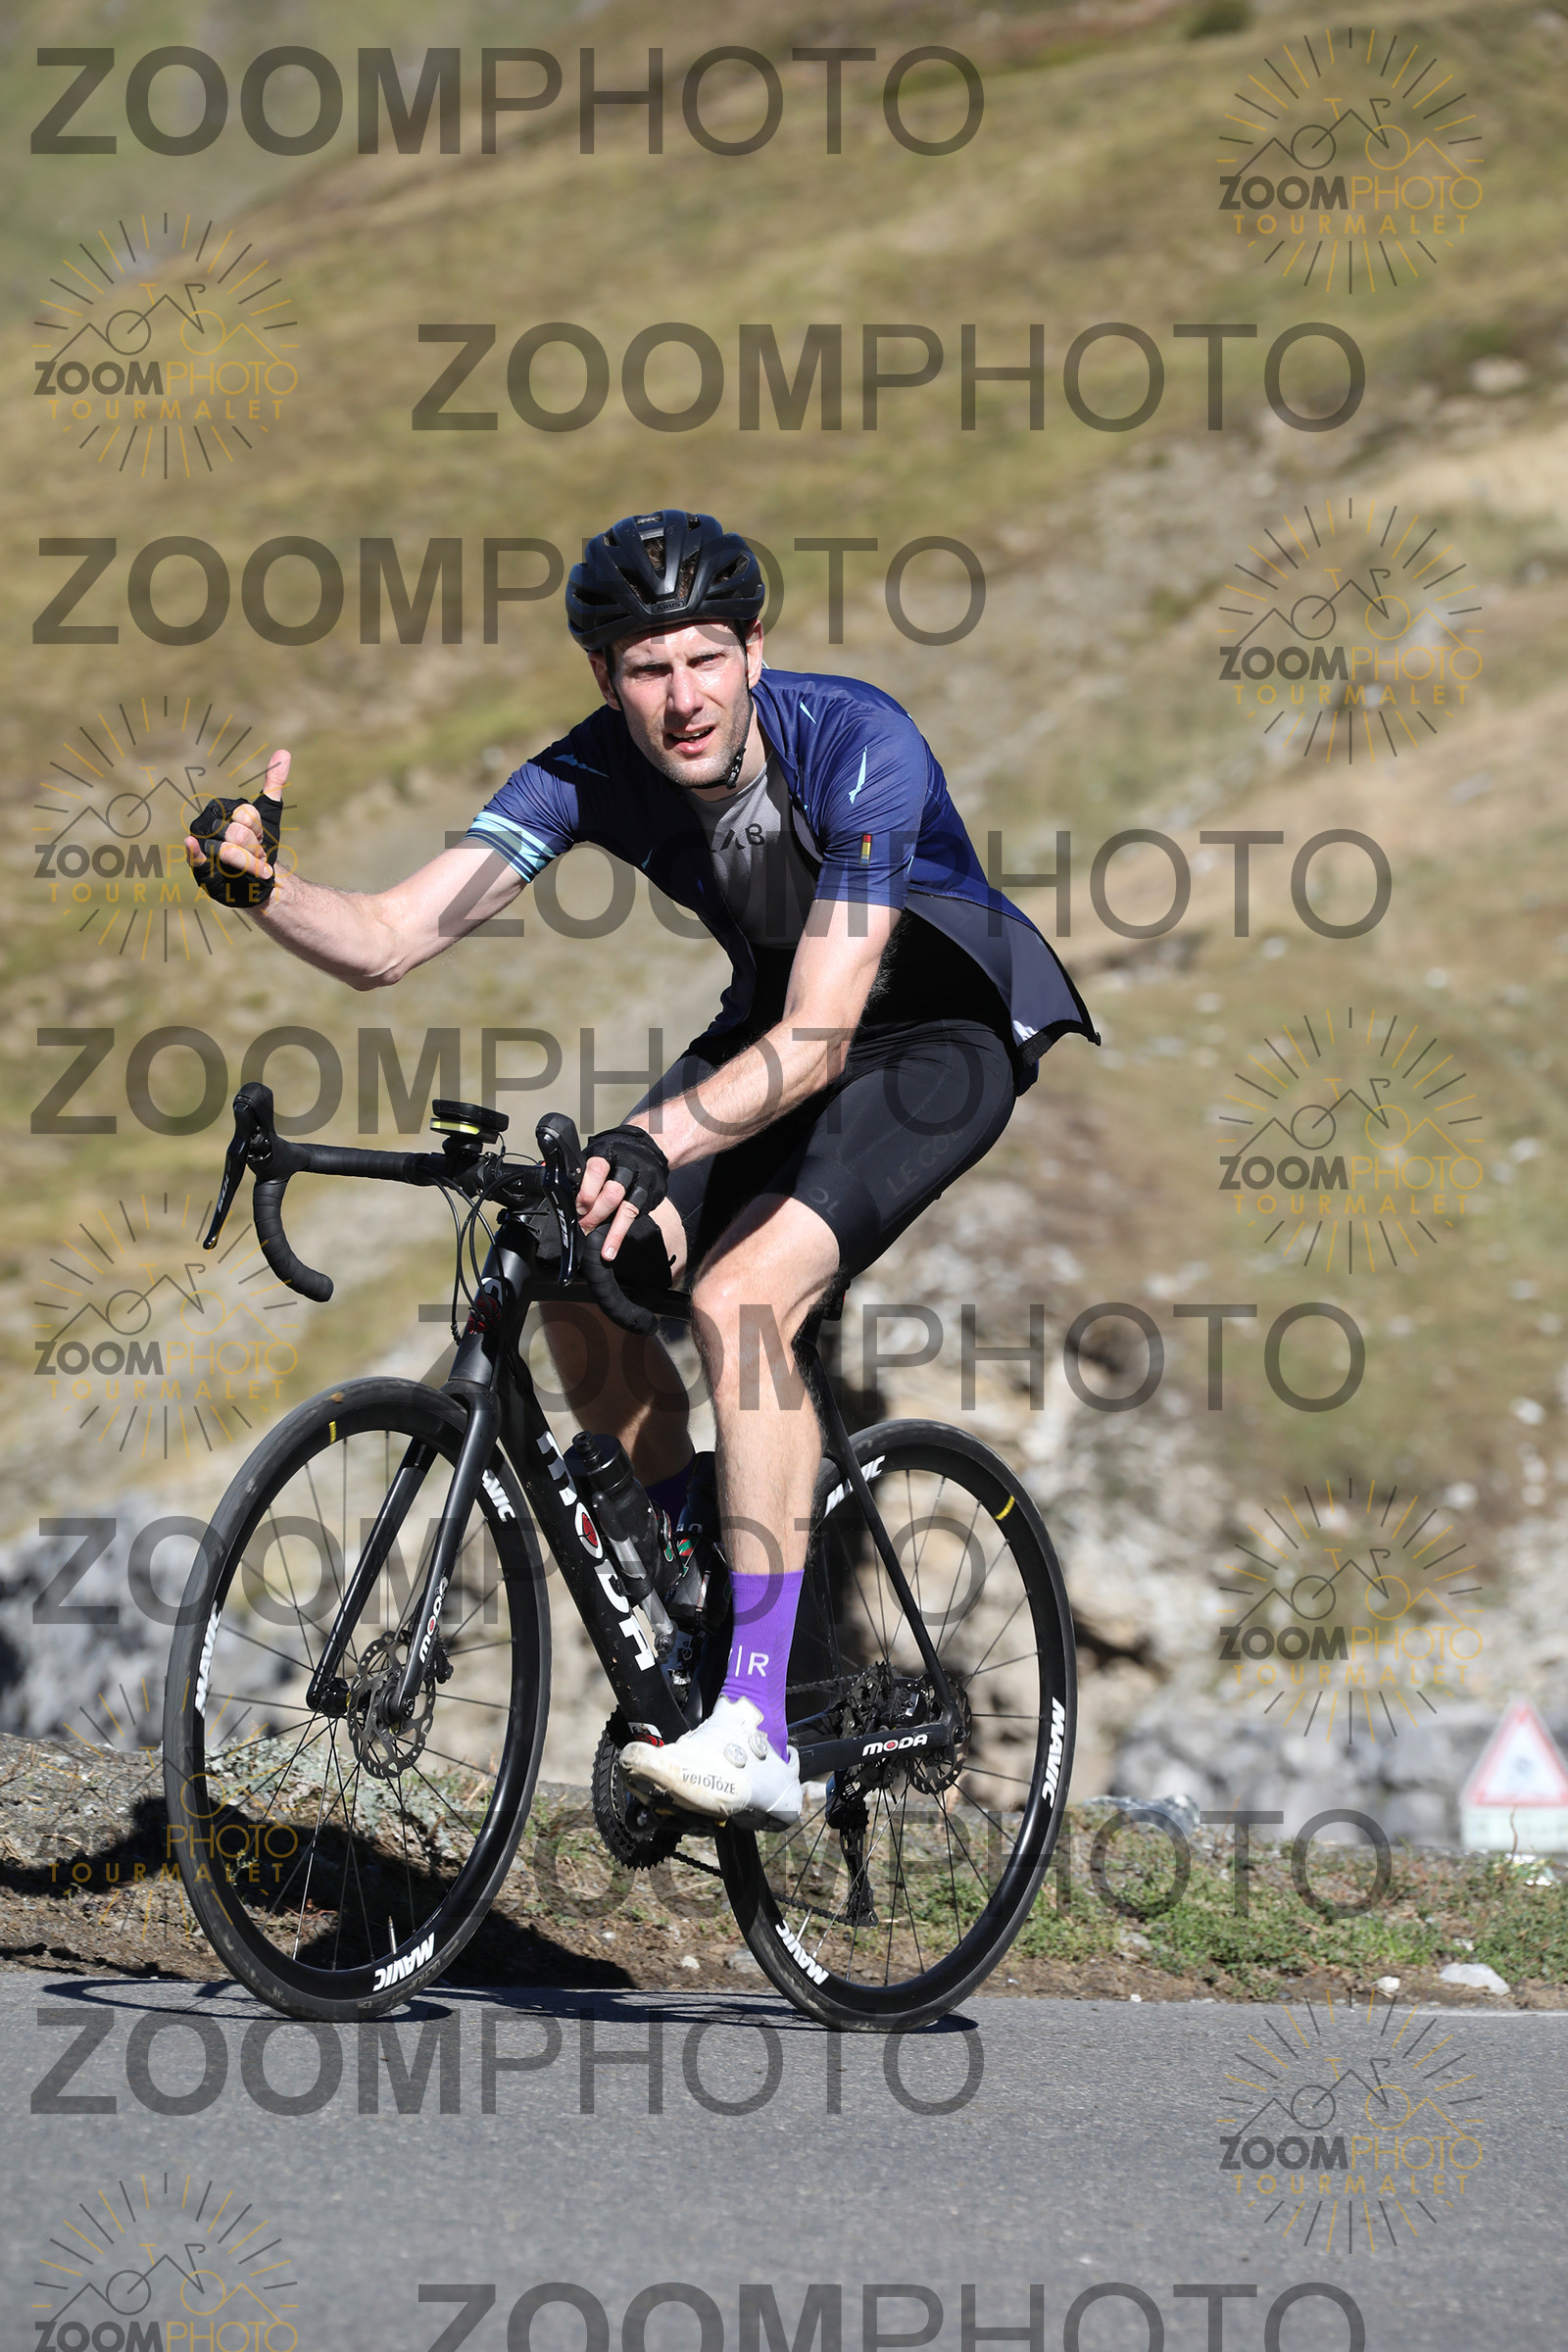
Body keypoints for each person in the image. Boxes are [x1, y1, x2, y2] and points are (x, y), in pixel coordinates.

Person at [185, 509, 1095, 1828]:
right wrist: (265, 889)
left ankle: (756, 1730)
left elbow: (826, 1031)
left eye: (706, 659)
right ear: (606, 678)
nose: (683, 698)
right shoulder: (588, 772)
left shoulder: (858, 743)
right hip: (770, 1033)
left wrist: (659, 1138)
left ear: (754, 651)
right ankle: (689, 1576)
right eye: (649, 669)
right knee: (570, 1251)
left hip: (935, 1040)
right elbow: (388, 938)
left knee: (743, 1297)